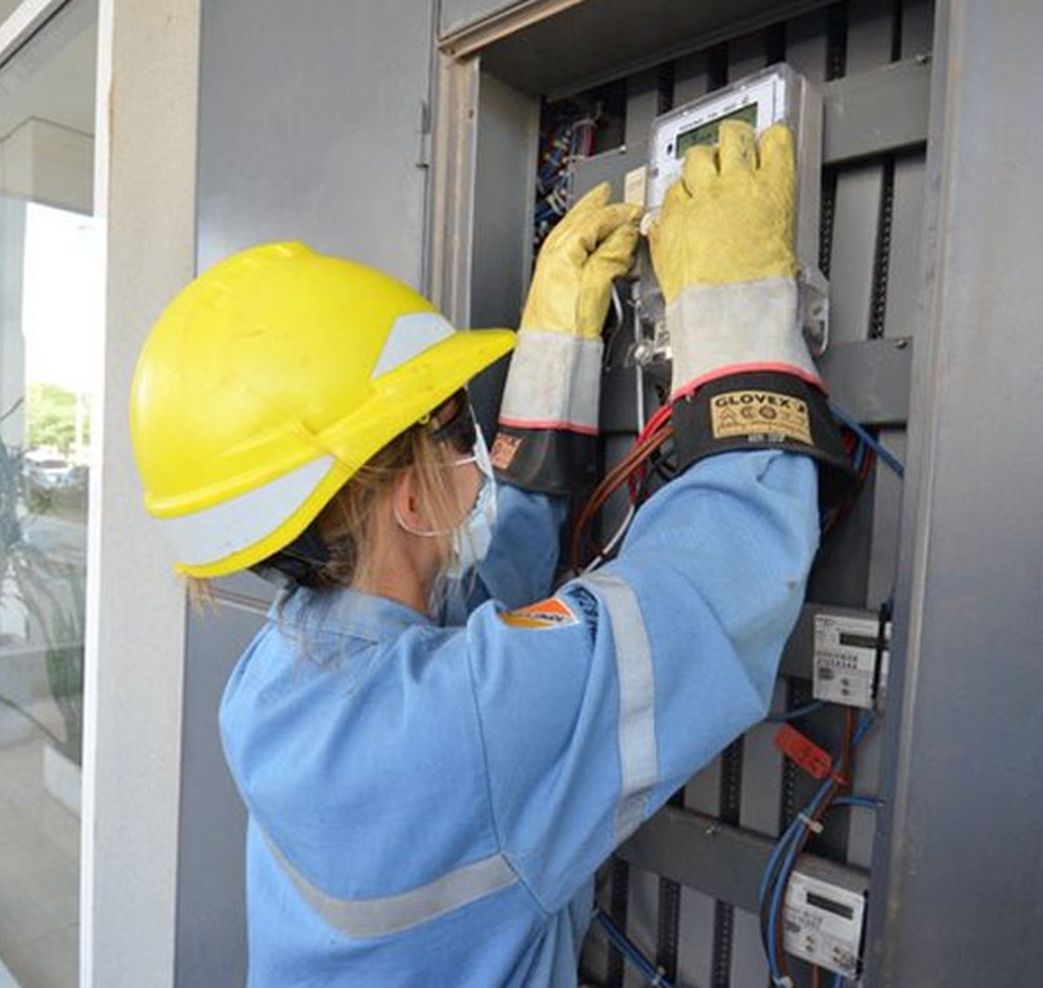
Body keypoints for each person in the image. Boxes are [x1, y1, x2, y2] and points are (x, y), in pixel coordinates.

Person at [130, 120, 852, 985]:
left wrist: (555, 350)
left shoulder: (272, 679)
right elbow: (719, 586)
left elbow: (476, 635)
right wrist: (737, 315)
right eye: (453, 422)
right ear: (403, 494)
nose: (470, 444)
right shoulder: (463, 726)